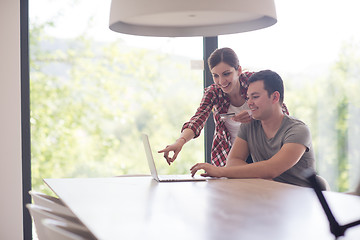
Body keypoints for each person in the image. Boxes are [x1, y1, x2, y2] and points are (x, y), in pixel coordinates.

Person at [158, 48, 288, 167]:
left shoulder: (253, 82)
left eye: (226, 74)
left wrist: (253, 114)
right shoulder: (213, 92)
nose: (221, 81)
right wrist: (180, 142)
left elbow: (281, 111)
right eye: (215, 75)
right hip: (229, 156)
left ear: (239, 70)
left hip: (262, 152)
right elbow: (198, 119)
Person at [190, 70, 318, 188]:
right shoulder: (248, 126)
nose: (249, 102)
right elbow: (233, 161)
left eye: (255, 97)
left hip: (299, 202)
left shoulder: (298, 130)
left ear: (275, 97)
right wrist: (261, 175)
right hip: (267, 196)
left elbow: (272, 168)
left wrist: (220, 171)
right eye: (248, 97)